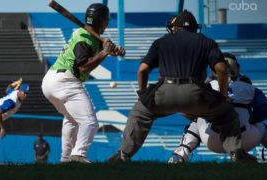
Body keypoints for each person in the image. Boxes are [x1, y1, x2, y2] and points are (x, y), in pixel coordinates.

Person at [108, 10, 256, 163]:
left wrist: (143, 93)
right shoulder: (206, 42)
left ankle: (123, 155)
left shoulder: (161, 41)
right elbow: (222, 69)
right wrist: (223, 96)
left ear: (175, 28)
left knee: (139, 113)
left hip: (164, 93)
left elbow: (142, 70)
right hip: (196, 94)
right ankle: (236, 154)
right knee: (227, 115)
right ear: (194, 28)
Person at [41, 3, 125, 163]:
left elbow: (102, 49)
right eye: (105, 20)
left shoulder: (87, 35)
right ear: (102, 21)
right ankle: (78, 153)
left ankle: (65, 159)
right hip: (65, 81)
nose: (107, 24)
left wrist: (113, 50)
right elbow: (83, 67)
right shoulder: (84, 39)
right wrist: (105, 52)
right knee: (90, 122)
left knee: (71, 119)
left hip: (50, 81)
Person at [168, 53, 267, 163]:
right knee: (262, 127)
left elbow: (187, 110)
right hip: (245, 140)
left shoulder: (207, 87)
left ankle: (179, 156)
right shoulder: (250, 88)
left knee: (196, 121)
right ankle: (237, 154)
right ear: (237, 68)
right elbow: (265, 110)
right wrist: (250, 119)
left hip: (212, 139)